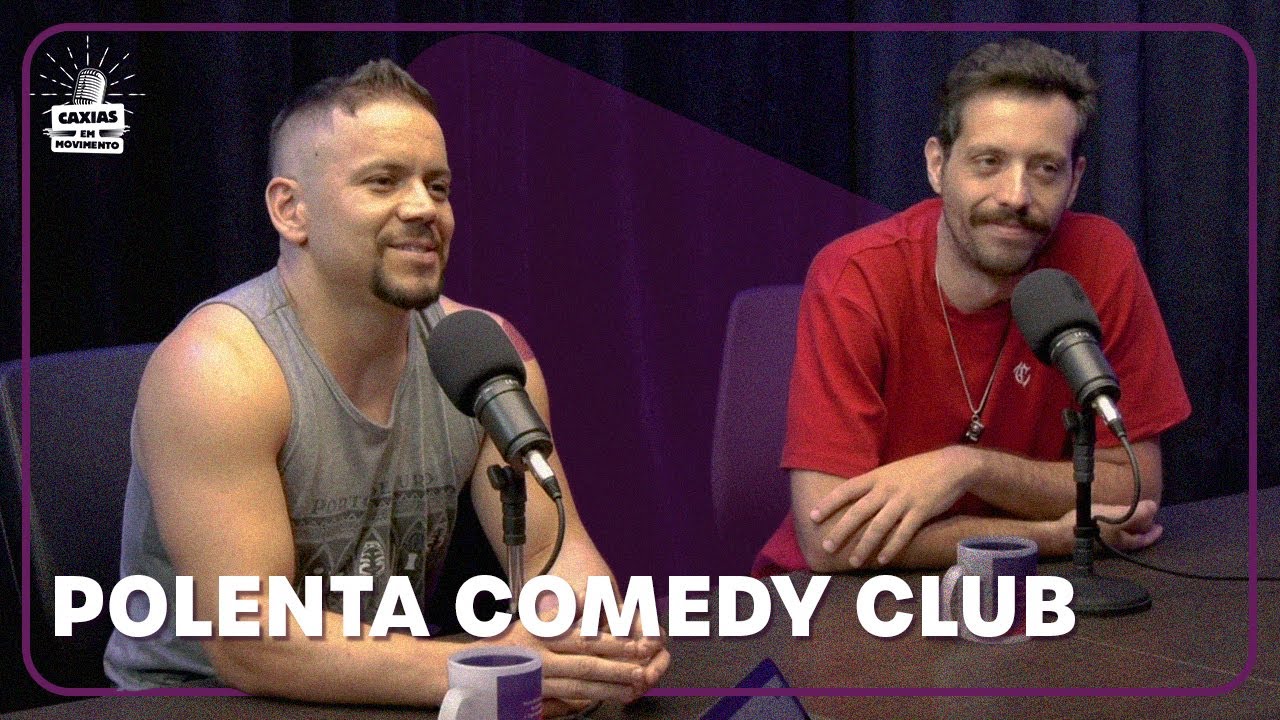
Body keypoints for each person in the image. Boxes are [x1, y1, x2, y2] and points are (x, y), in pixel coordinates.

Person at [103, 59, 669, 711]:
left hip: (379, 689)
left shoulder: (486, 351)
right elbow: (251, 639)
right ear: (291, 210)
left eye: (438, 186)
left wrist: (601, 641)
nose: (425, 208)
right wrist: (487, 667)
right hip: (198, 700)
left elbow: (552, 553)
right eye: (383, 182)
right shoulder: (215, 368)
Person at [753, 39, 1191, 577]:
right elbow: (830, 541)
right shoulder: (854, 276)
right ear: (938, 165)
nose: (1016, 195)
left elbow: (1134, 488)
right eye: (989, 162)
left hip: (1029, 595)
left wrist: (969, 468)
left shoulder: (1102, 259)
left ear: (1075, 181)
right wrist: (1047, 537)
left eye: (1045, 169)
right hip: (847, 596)